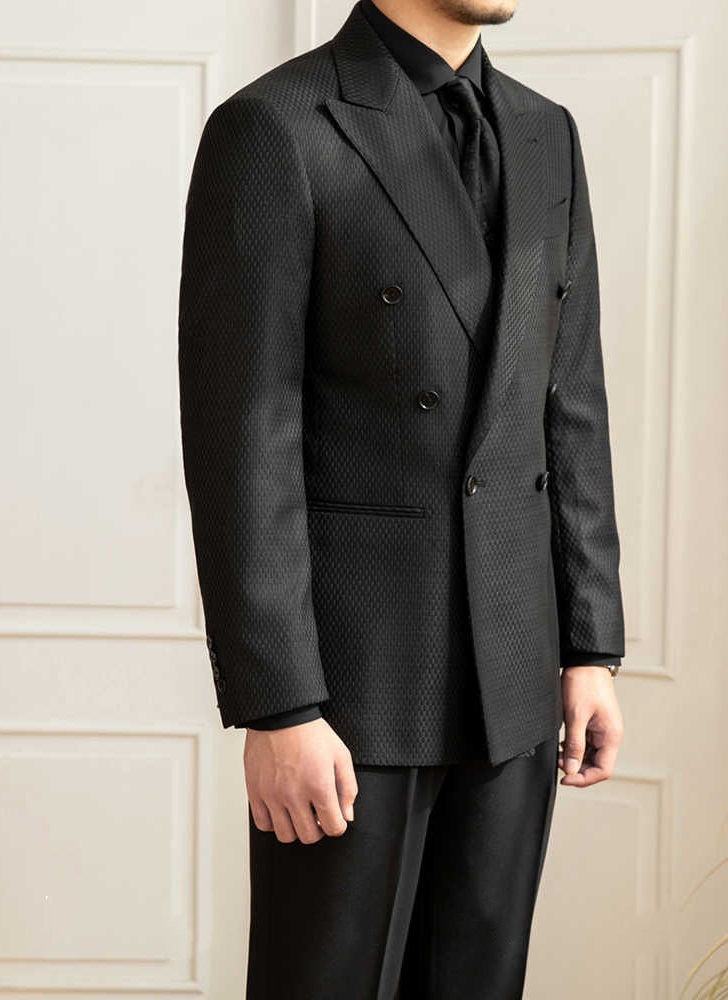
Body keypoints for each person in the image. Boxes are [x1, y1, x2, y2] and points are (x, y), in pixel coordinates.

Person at [177, 0, 626, 996]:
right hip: (350, 689)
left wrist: (589, 645)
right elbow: (242, 437)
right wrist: (280, 704)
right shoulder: (277, 127)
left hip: (514, 674)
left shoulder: (547, 133)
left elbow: (570, 399)